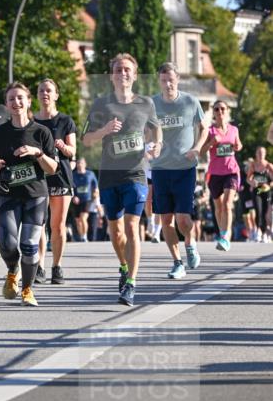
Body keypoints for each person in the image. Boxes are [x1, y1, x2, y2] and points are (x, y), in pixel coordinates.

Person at [82, 53, 161, 307]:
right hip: (109, 175)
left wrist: (157, 143)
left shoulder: (146, 103)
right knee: (115, 232)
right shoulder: (101, 105)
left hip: (136, 173)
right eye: (118, 70)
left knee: (132, 227)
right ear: (112, 75)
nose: (123, 73)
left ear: (134, 75)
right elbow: (86, 139)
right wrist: (104, 131)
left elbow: (156, 127)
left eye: (127, 69)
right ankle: (124, 267)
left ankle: (131, 284)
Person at [0, 82, 58, 307]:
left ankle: (27, 289)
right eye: (11, 99)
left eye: (20, 98)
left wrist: (37, 153)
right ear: (6, 105)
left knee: (29, 245)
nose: (16, 102)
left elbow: (52, 168)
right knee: (8, 245)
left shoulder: (41, 132)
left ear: (28, 101)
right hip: (9, 195)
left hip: (35, 195)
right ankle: (12, 271)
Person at [150, 61, 208, 279]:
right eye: (163, 80)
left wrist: (197, 147)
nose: (167, 84)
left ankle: (190, 243)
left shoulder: (190, 102)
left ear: (178, 79)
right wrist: (150, 146)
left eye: (171, 80)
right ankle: (177, 262)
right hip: (161, 168)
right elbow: (146, 131)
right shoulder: (152, 104)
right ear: (159, 81)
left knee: (183, 219)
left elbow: (204, 128)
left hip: (185, 168)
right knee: (166, 220)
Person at [34, 78, 77, 284]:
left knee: (57, 225)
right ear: (37, 95)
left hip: (61, 176)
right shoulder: (32, 121)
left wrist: (61, 146)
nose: (45, 94)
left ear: (56, 95)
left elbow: (72, 151)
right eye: (41, 90)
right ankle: (39, 266)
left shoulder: (65, 121)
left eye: (49, 90)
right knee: (39, 224)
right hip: (39, 177)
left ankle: (56, 266)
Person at [200, 101, 242, 251]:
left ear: (227, 111)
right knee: (218, 207)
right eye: (216, 109)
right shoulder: (210, 130)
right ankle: (221, 232)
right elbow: (201, 151)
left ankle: (226, 236)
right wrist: (212, 142)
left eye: (222, 109)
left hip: (231, 171)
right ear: (214, 112)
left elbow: (238, 145)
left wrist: (237, 146)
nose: (220, 111)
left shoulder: (234, 130)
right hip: (215, 173)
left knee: (227, 204)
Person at [247, 146, 273, 242]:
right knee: (258, 210)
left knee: (266, 212)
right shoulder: (253, 165)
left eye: (262, 153)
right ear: (256, 154)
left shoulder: (268, 165)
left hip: (266, 191)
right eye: (259, 153)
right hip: (257, 191)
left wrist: (270, 184)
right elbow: (248, 178)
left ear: (265, 154)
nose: (261, 154)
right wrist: (252, 182)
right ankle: (258, 231)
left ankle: (266, 232)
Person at [71, 157, 99, 242]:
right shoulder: (73, 175)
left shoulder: (90, 174)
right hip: (77, 200)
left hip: (87, 199)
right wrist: (73, 197)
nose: (79, 165)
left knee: (83, 218)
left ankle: (85, 236)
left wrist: (95, 198)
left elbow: (95, 187)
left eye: (81, 163)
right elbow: (71, 188)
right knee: (78, 221)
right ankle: (81, 236)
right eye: (78, 163)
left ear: (85, 164)